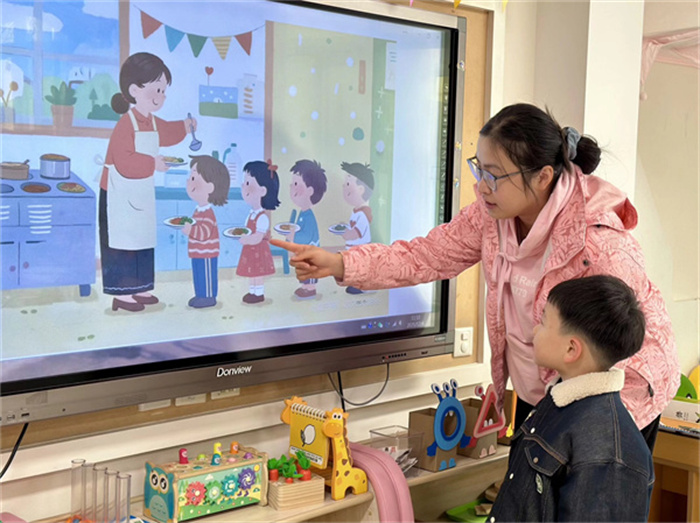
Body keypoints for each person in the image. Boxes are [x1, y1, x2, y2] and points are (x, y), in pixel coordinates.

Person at [271, 103, 679, 452]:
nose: (480, 187)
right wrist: (341, 264)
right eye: (478, 169)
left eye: (494, 175)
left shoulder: (597, 243)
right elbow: (425, 256)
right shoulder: (491, 218)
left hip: (613, 403)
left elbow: (628, 344)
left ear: (543, 176)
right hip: (545, 397)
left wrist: (590, 431)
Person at [489, 275, 654, 522]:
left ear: (571, 349)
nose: (535, 330)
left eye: (543, 322)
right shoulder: (557, 403)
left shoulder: (610, 454)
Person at [99, 52, 195, 312]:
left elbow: (168, 132)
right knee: (123, 244)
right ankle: (122, 294)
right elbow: (124, 160)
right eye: (156, 90)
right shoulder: (125, 125)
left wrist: (186, 126)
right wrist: (153, 164)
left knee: (142, 240)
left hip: (140, 192)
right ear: (134, 90)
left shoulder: (151, 121)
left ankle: (141, 288)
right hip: (118, 195)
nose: (161, 97)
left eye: (163, 91)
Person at [182, 155, 230, 308]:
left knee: (207, 275)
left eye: (194, 178)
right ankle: (200, 295)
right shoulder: (199, 210)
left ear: (210, 187)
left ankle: (208, 297)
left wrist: (190, 230)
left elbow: (204, 232)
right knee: (198, 275)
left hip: (207, 253)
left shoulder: (208, 212)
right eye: (190, 177)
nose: (189, 181)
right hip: (197, 252)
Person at [236, 160, 281, 304]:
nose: (243, 186)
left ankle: (259, 293)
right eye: (244, 182)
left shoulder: (262, 217)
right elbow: (246, 230)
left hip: (258, 250)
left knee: (258, 273)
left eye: (248, 183)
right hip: (250, 250)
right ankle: (252, 291)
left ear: (262, 191)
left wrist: (246, 239)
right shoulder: (251, 213)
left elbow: (257, 237)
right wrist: (242, 235)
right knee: (252, 272)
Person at [287, 159, 328, 299]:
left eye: (296, 184)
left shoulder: (309, 216)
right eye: (292, 184)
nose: (291, 187)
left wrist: (293, 235)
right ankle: (305, 287)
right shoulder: (302, 213)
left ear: (310, 191)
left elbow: (306, 235)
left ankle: (310, 289)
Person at [339, 161, 374, 295]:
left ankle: (362, 286)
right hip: (353, 250)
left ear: (361, 189)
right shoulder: (355, 212)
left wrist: (346, 233)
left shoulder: (362, 215)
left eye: (348, 184)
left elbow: (356, 233)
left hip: (360, 251)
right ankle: (355, 284)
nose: (344, 187)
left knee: (360, 268)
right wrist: (345, 228)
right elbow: (352, 228)